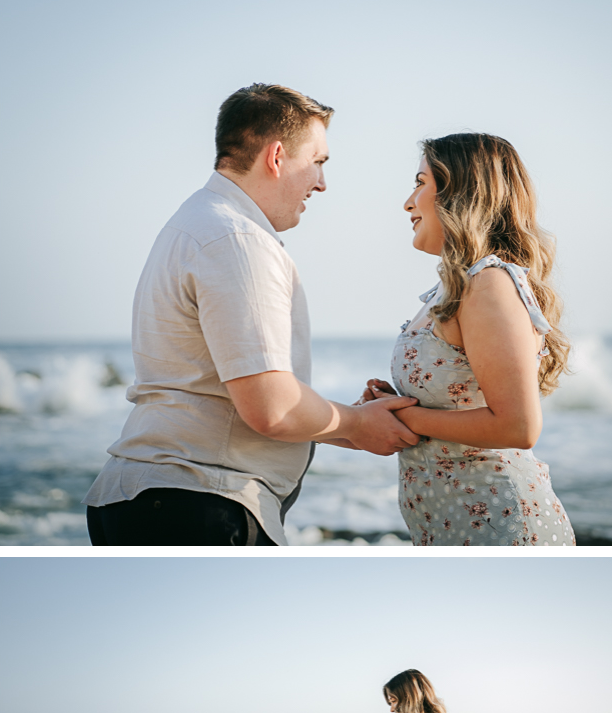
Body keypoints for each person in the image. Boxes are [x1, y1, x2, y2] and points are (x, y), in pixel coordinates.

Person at [84, 83, 418, 546]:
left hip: (160, 498)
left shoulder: (197, 223)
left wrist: (350, 427)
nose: (322, 183)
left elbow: (226, 397)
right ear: (277, 157)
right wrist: (359, 425)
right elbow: (271, 407)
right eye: (318, 162)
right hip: (200, 503)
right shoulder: (236, 240)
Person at [360, 132, 576, 547]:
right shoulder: (456, 288)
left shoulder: (489, 285)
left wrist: (402, 417)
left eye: (421, 183)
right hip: (457, 530)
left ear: (461, 194)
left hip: (505, 530)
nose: (408, 202)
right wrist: (398, 402)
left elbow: (518, 426)